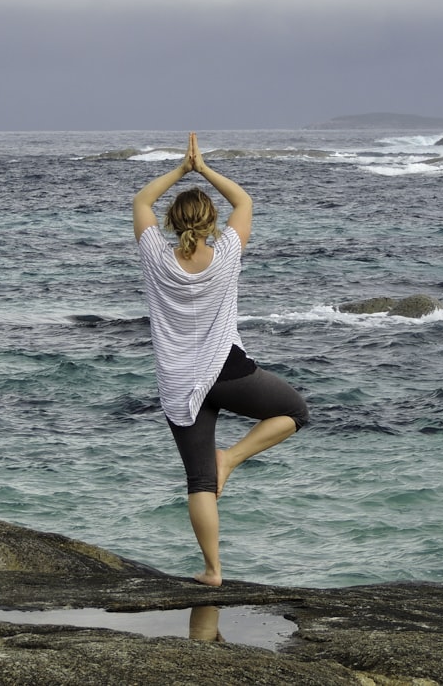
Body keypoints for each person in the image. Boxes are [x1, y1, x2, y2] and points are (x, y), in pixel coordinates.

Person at [133, 132, 309, 586]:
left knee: (199, 482)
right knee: (293, 412)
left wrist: (179, 169)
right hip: (226, 370)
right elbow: (244, 202)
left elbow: (141, 201)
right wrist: (204, 168)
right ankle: (229, 459)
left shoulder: (155, 255)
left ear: (171, 223)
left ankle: (213, 571)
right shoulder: (227, 253)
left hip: (178, 382)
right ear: (213, 223)